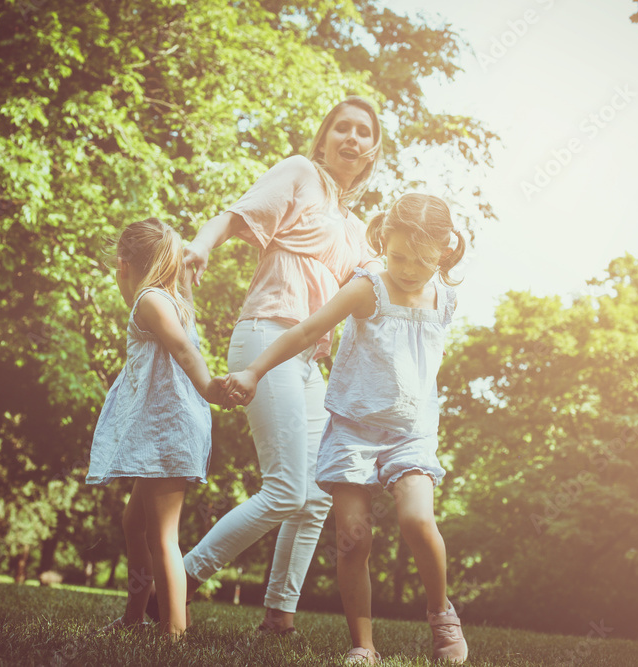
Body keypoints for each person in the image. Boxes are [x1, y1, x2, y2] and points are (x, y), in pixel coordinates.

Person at [224, 193, 470, 664]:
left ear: (444, 250)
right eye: (398, 256)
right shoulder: (368, 287)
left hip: (411, 431)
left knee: (417, 520)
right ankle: (364, 644)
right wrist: (254, 371)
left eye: (422, 260)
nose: (409, 269)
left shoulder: (445, 299)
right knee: (354, 538)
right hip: (354, 430)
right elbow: (302, 331)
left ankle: (442, 616)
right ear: (383, 240)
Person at [176, 96, 383, 634]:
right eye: (343, 127)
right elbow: (233, 215)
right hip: (265, 338)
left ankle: (278, 617)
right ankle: (177, 581)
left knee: (317, 496)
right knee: (286, 489)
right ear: (324, 137)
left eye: (364, 133)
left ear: (371, 153)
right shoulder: (299, 172)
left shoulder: (356, 229)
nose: (352, 138)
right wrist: (200, 246)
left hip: (308, 363)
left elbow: (383, 289)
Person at [86, 217, 225, 639]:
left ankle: (174, 634)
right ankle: (135, 616)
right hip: (163, 430)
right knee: (134, 525)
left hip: (168, 431)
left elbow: (183, 349)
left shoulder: (150, 300)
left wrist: (208, 386)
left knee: (164, 534)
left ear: (122, 265)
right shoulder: (166, 297)